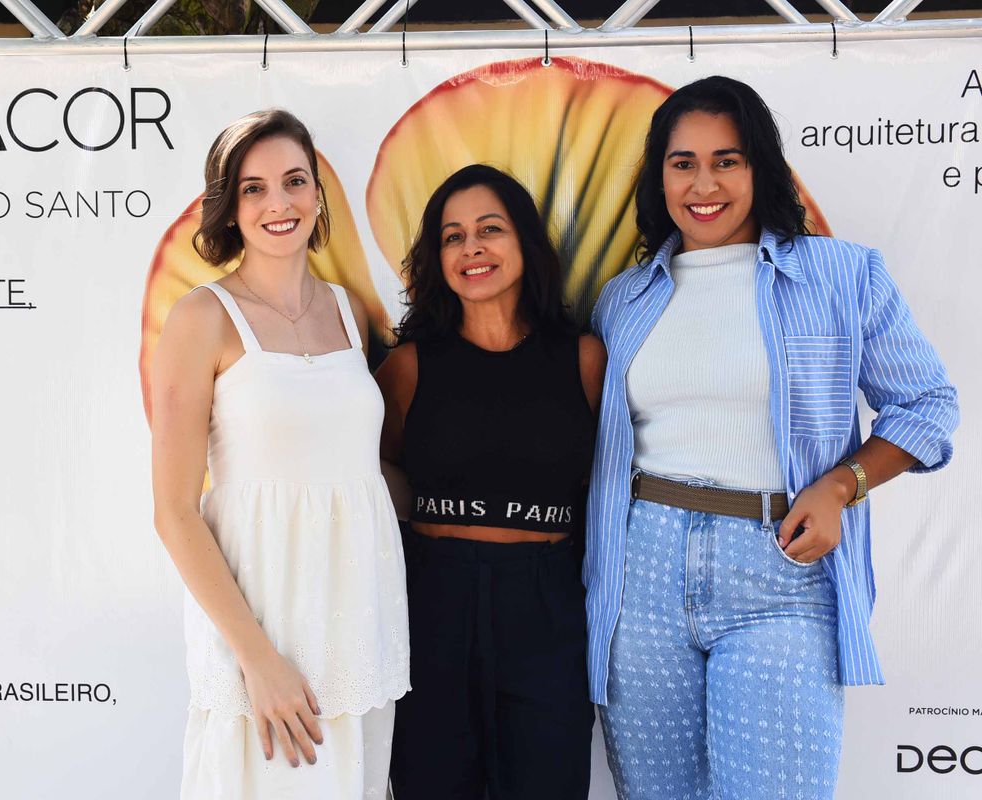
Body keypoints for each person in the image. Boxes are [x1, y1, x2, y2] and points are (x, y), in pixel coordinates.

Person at [587, 75, 959, 799]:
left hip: (782, 568)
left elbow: (927, 404)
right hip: (642, 571)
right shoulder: (622, 299)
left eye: (728, 160)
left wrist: (840, 485)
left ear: (762, 166)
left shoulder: (842, 274)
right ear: (657, 175)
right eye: (682, 162)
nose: (705, 183)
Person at [149, 108, 409, 799]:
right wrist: (258, 661)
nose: (278, 203)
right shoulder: (202, 318)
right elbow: (174, 513)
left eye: (294, 181)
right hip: (258, 630)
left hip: (356, 620)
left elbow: (359, 468)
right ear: (230, 208)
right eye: (254, 188)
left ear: (318, 195)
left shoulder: (349, 312)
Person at [376, 164, 605, 799]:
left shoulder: (584, 358)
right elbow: (376, 472)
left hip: (547, 609)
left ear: (526, 244)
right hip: (433, 603)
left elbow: (599, 479)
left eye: (489, 229)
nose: (471, 248)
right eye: (452, 237)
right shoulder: (408, 366)